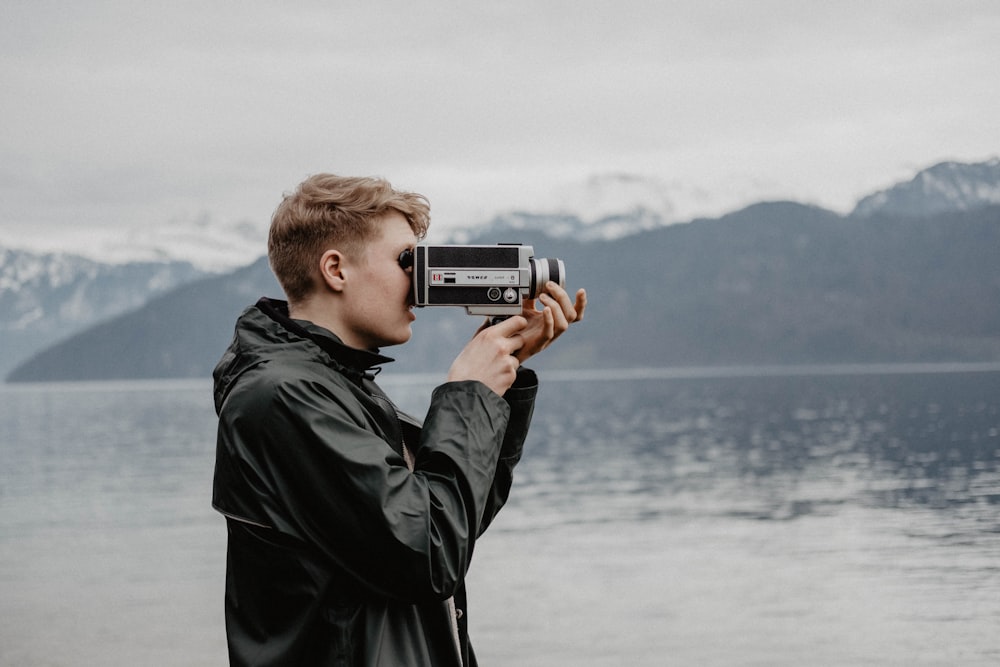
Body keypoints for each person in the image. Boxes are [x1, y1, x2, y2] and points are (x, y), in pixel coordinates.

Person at [212, 173, 586, 666]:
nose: (421, 279)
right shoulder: (284, 397)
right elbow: (430, 553)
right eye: (406, 259)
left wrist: (505, 374)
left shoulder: (335, 386)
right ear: (335, 270)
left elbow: (455, 519)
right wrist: (467, 394)